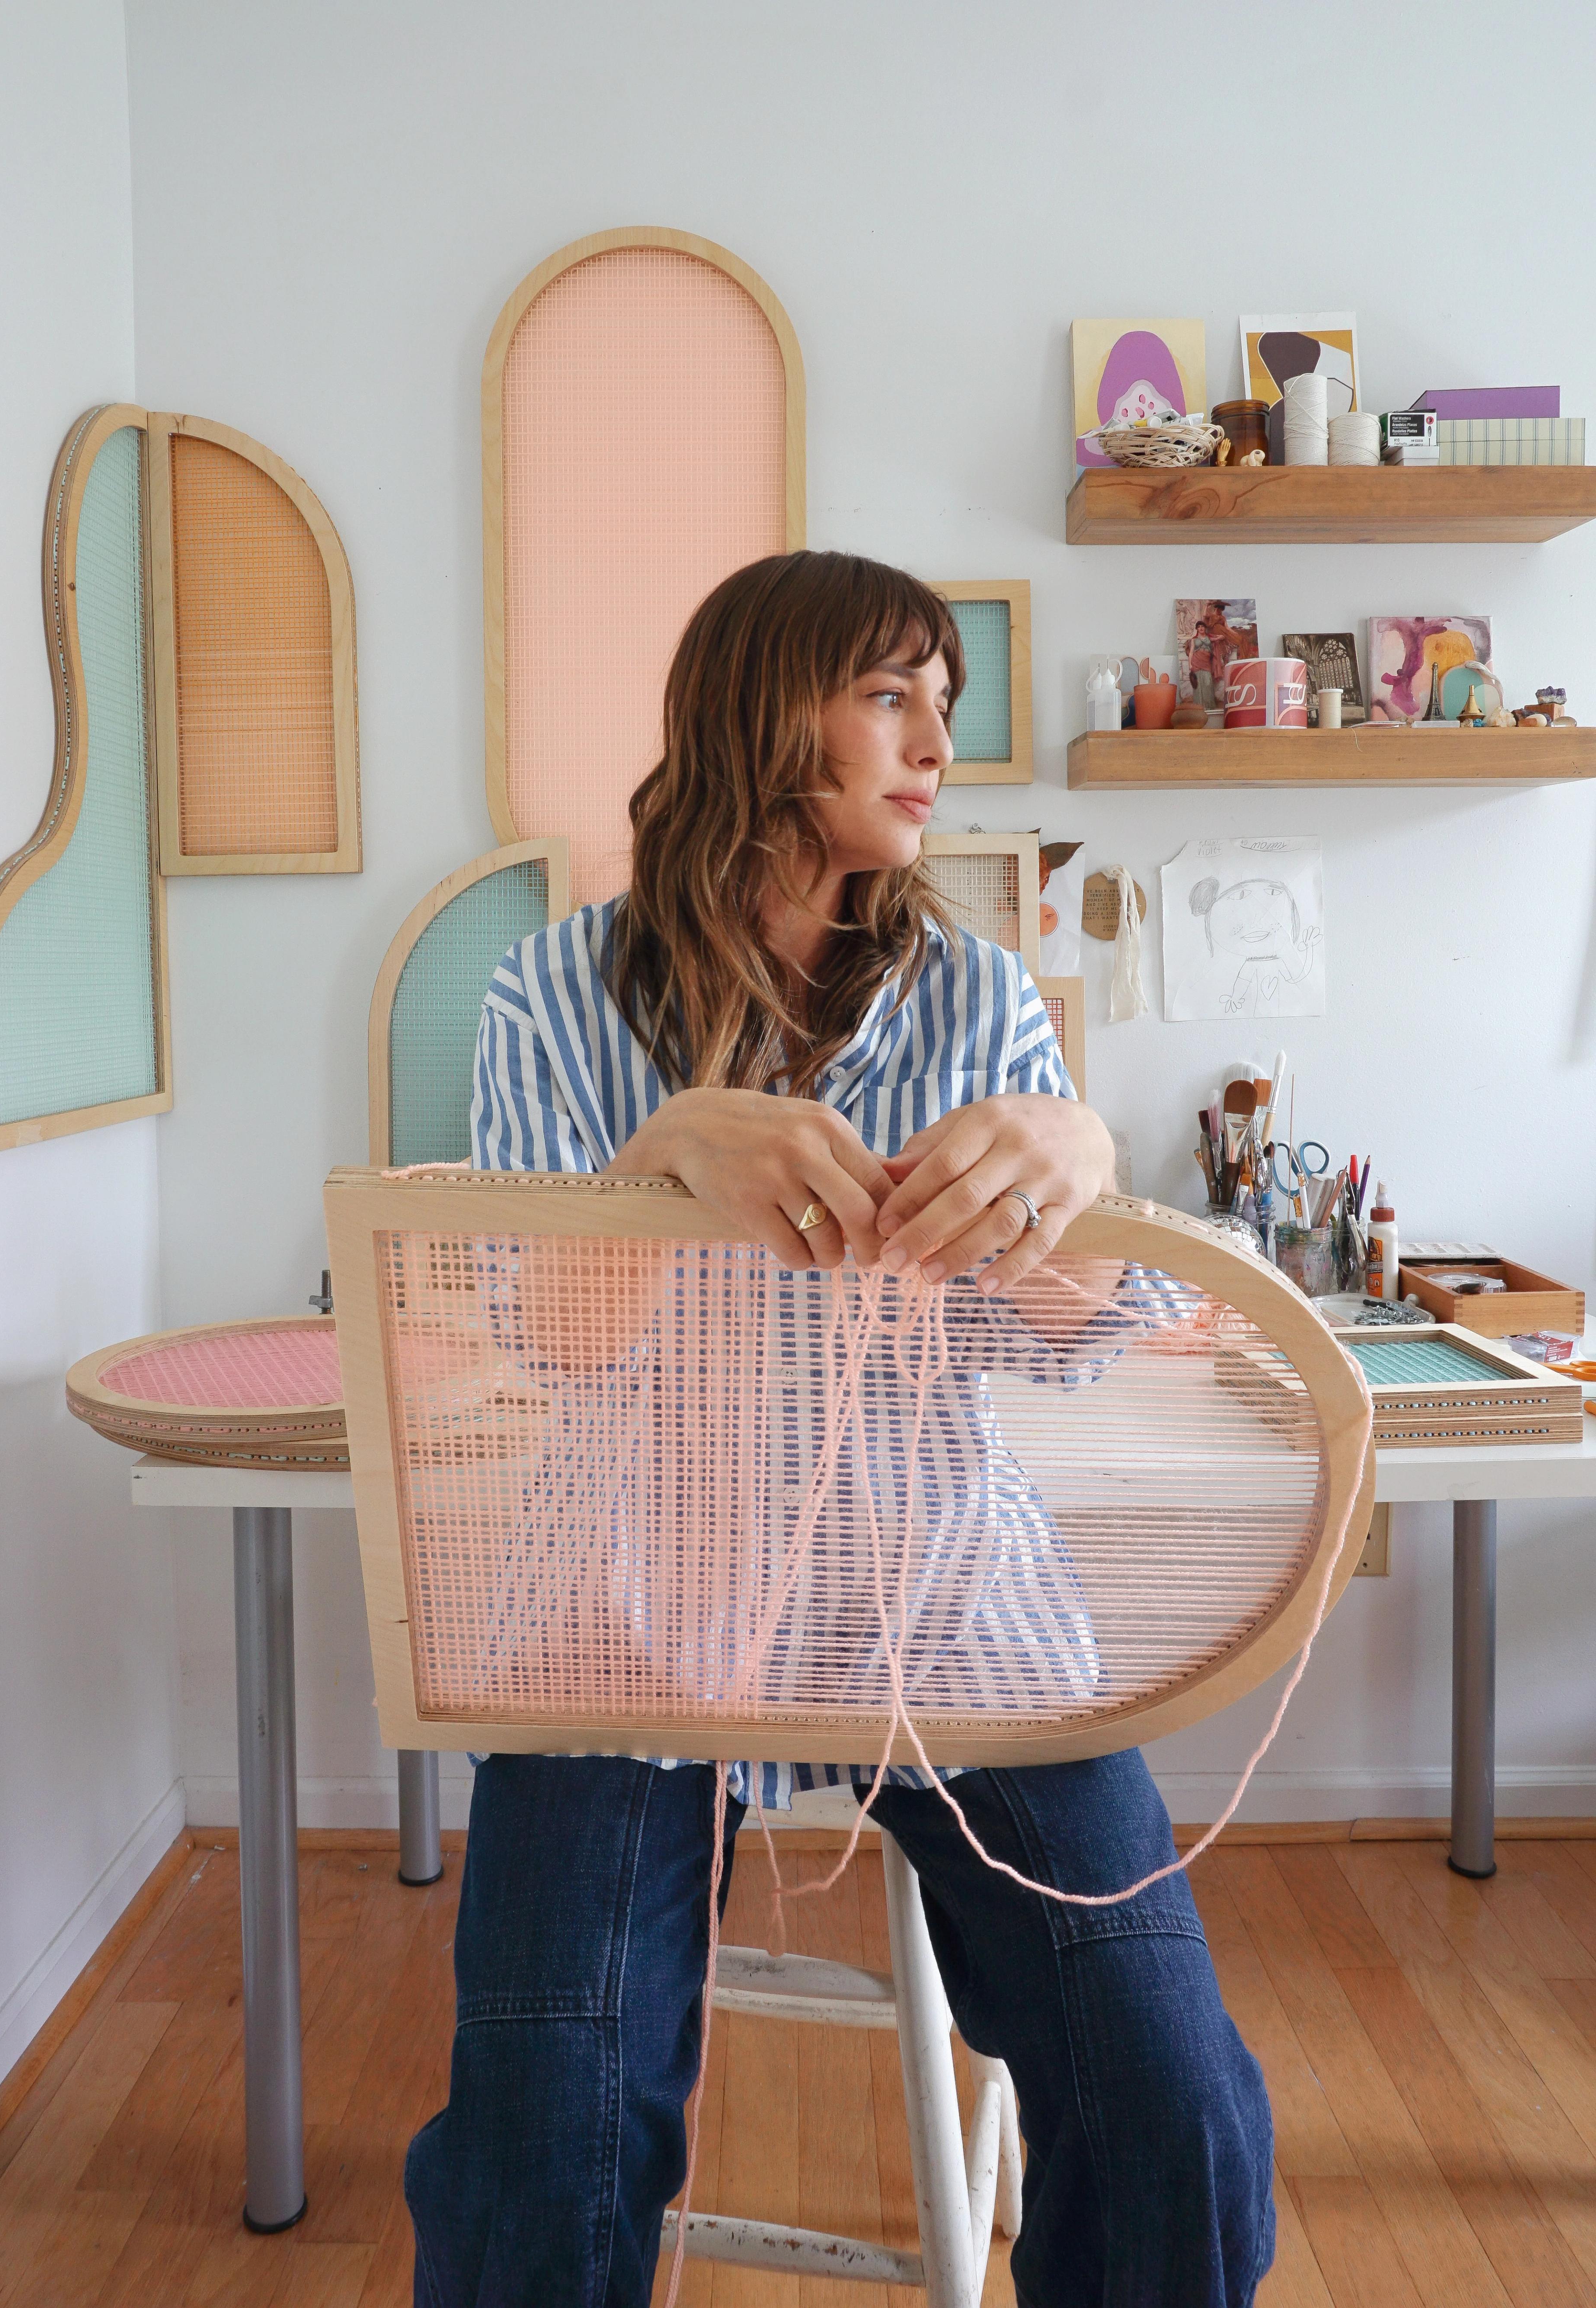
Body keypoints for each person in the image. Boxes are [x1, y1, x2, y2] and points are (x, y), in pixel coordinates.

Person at [404, 550, 1274, 2308]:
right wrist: (657, 1169)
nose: (936, 738)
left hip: (950, 1603)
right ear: (757, 711)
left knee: (1177, 2105)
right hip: (622, 1620)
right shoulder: (550, 993)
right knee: (541, 2137)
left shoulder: (974, 996)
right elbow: (550, 1340)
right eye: (891, 694)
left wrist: (1078, 1163)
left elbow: (1075, 1341)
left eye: (942, 701)